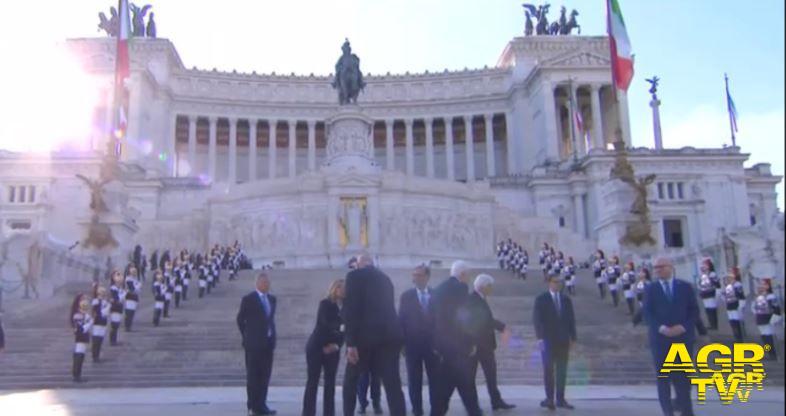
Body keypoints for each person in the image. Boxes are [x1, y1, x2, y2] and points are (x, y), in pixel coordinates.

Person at [341, 252, 405, 416]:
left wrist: (351, 343)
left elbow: (351, 310)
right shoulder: (386, 279)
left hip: (364, 339)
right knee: (393, 385)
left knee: (350, 381)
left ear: (358, 264)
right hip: (389, 338)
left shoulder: (354, 277)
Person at [642, 257, 698, 416]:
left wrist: (683, 327)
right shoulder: (650, 289)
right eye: (655, 267)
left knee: (683, 378)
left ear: (670, 267)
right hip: (660, 340)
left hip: (682, 339)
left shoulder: (685, 287)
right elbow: (647, 313)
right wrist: (661, 328)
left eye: (661, 266)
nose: (657, 270)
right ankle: (668, 412)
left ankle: (686, 411)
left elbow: (694, 311)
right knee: (663, 378)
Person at [430, 260, 483, 416]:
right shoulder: (460, 288)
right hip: (458, 347)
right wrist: (471, 341)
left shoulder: (439, 289)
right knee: (466, 387)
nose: (468, 279)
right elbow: (464, 316)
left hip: (443, 347)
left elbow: (432, 318)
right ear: (462, 274)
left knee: (446, 390)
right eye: (468, 276)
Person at [466, 274, 516, 411]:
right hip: (475, 346)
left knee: (491, 375)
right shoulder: (472, 300)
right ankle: (473, 405)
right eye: (489, 286)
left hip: (486, 346)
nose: (491, 289)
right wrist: (503, 326)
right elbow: (483, 320)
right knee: (470, 377)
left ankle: (496, 401)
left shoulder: (481, 299)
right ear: (482, 287)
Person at [399, 264, 438, 416]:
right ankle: (417, 411)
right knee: (414, 382)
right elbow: (401, 320)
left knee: (435, 380)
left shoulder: (436, 295)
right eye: (414, 275)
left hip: (433, 346)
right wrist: (402, 344)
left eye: (419, 275)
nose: (415, 278)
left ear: (427, 277)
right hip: (412, 346)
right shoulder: (406, 296)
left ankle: (436, 410)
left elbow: (441, 320)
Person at [533, 274, 576, 411]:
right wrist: (539, 338)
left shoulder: (566, 300)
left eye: (560, 282)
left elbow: (571, 319)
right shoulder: (541, 299)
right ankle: (549, 399)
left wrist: (573, 337)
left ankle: (561, 399)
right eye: (555, 282)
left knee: (562, 371)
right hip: (547, 340)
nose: (558, 284)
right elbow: (537, 319)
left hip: (563, 340)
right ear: (549, 283)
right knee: (548, 370)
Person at [302, 279, 345, 416]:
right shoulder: (325, 304)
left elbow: (347, 331)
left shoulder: (346, 307)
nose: (344, 291)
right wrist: (340, 326)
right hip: (317, 346)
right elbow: (325, 324)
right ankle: (308, 413)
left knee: (330, 383)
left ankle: (329, 413)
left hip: (333, 348)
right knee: (313, 381)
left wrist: (336, 345)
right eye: (341, 288)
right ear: (335, 289)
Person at [237, 272, 277, 415]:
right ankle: (252, 406)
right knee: (253, 376)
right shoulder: (249, 299)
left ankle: (262, 405)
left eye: (268, 282)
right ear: (258, 284)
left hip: (268, 344)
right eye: (265, 282)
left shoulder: (272, 299)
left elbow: (270, 320)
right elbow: (240, 320)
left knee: (265, 376)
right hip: (253, 345)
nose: (267, 285)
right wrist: (247, 336)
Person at [752, 278, 781, 361]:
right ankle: (768, 352)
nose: (761, 286)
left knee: (768, 337)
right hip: (760, 318)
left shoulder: (771, 296)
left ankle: (773, 354)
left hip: (768, 318)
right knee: (764, 337)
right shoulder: (759, 296)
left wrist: (775, 317)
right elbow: (755, 307)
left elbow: (776, 308)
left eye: (764, 285)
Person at [70, 294, 93, 382]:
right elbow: (81, 328)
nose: (85, 301)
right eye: (83, 299)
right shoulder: (77, 315)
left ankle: (78, 374)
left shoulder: (85, 314)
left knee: (81, 355)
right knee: (79, 355)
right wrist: (90, 322)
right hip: (80, 336)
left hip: (84, 337)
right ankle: (76, 375)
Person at [697, 258, 721, 330]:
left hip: (711, 294)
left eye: (705, 265)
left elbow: (717, 284)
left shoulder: (712, 274)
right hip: (705, 294)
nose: (703, 267)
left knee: (712, 308)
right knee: (707, 309)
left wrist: (717, 293)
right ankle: (711, 324)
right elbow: (700, 284)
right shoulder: (702, 275)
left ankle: (714, 325)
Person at [91, 286, 110, 363]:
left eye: (103, 292)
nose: (102, 294)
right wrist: (107, 308)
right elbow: (98, 312)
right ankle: (95, 355)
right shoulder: (96, 301)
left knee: (100, 340)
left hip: (103, 322)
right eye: (101, 292)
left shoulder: (105, 302)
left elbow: (106, 313)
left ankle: (97, 355)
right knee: (96, 339)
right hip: (97, 322)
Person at [723, 274, 744, 342]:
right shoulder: (728, 287)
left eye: (730, 278)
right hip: (729, 306)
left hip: (735, 305)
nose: (728, 280)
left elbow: (741, 296)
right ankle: (736, 337)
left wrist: (740, 306)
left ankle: (739, 339)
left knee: (736, 322)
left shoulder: (737, 286)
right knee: (732, 322)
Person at [108, 270, 125, 346]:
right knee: (114, 324)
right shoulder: (113, 288)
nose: (120, 277)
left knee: (117, 324)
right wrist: (123, 294)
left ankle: (114, 339)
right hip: (115, 307)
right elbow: (116, 298)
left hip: (119, 307)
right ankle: (112, 340)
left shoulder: (120, 288)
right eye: (118, 275)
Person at [124, 266, 141, 331]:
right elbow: (132, 289)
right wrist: (138, 286)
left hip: (134, 297)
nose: (135, 273)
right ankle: (127, 326)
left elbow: (137, 290)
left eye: (135, 272)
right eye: (133, 271)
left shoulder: (135, 279)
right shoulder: (128, 279)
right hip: (130, 297)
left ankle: (129, 326)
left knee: (132, 313)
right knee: (129, 313)